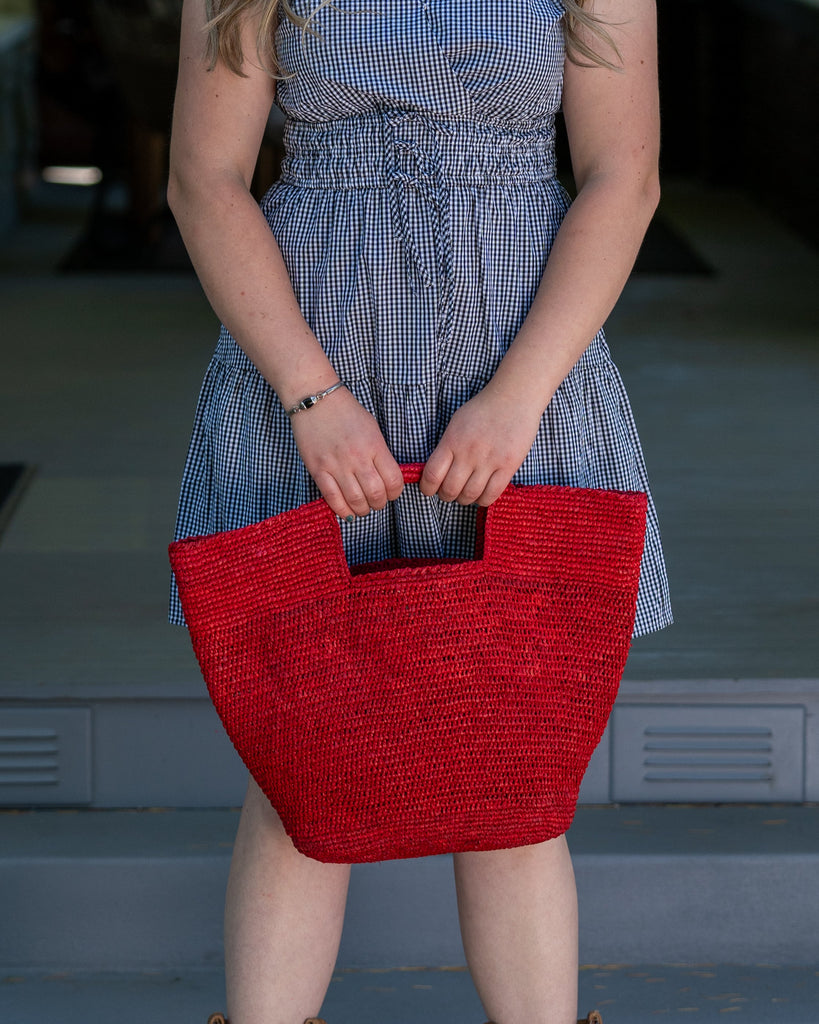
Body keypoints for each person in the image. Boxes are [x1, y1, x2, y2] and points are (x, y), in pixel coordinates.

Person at [167, 0, 672, 1021]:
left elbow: (626, 178)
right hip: (308, 359)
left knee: (519, 748)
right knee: (295, 749)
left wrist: (520, 396)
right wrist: (310, 396)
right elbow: (203, 178)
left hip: (520, 360)